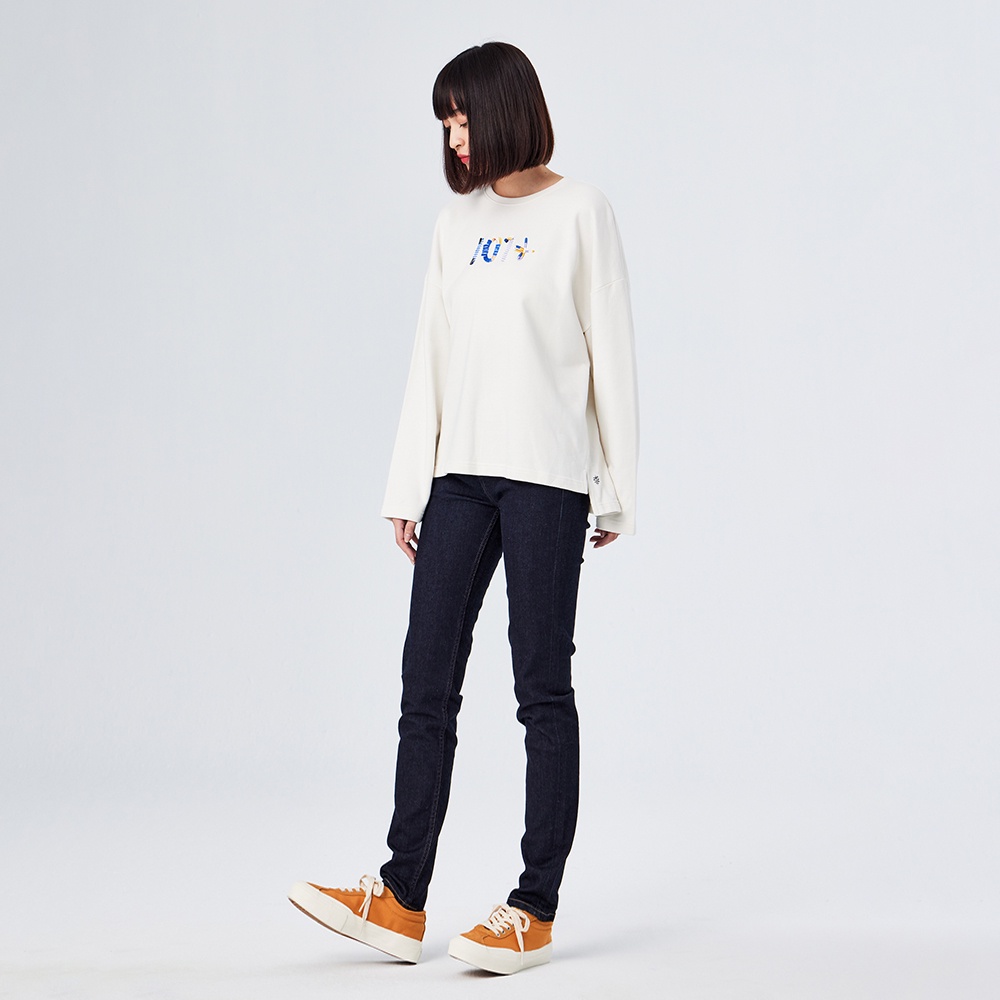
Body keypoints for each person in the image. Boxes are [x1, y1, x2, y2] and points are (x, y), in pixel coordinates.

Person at [288, 40, 638, 976]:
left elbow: (612, 352)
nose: (454, 137)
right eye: (445, 123)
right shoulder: (456, 226)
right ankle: (401, 896)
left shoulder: (581, 212)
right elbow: (431, 360)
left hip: (547, 479)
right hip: (459, 479)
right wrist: (409, 486)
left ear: (506, 108)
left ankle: (533, 907)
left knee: (541, 688)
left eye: (463, 117)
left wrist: (616, 486)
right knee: (425, 680)